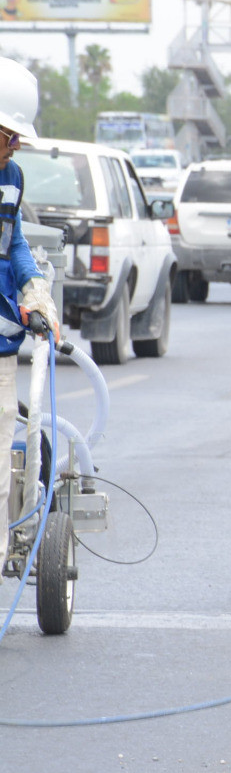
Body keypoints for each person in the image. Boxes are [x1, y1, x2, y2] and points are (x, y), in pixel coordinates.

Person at [0, 57, 63, 531]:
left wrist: (34, 289)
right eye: (8, 134)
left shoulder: (12, 177)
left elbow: (14, 242)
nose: (16, 144)